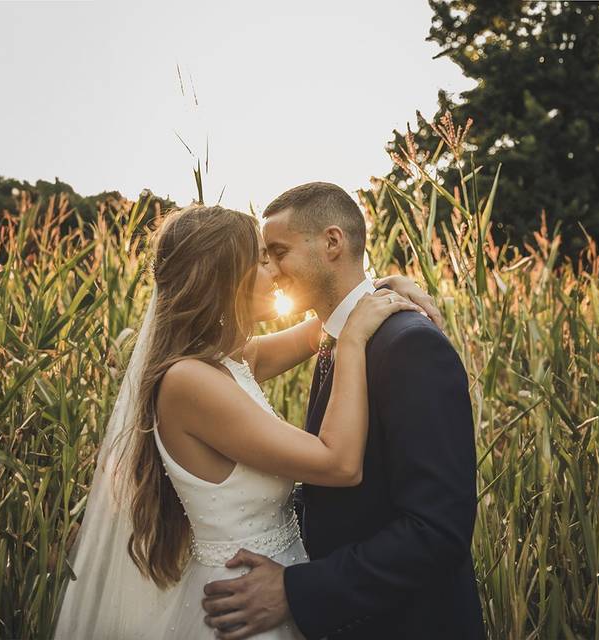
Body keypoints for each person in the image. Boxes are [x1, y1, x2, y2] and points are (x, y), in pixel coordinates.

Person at [52, 202, 439, 639]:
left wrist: (385, 285)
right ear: (222, 276)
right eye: (260, 259)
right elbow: (339, 464)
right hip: (244, 607)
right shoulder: (189, 383)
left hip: (270, 587)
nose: (275, 270)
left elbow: (322, 326)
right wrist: (351, 344)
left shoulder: (227, 361)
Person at [201, 182, 485, 639]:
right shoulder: (341, 337)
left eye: (278, 251)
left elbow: (437, 531)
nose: (269, 270)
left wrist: (296, 590)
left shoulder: (409, 345)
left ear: (332, 242)